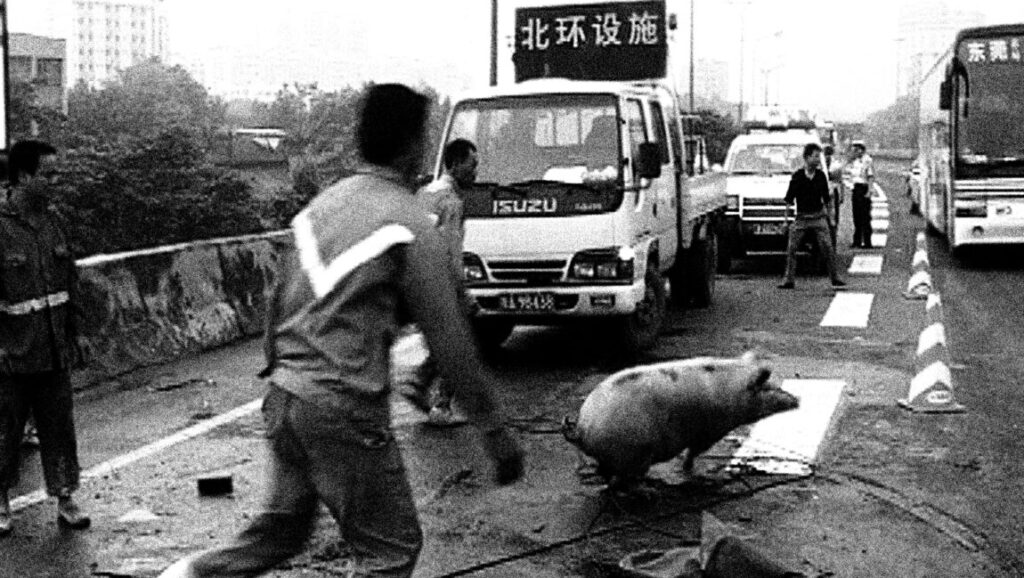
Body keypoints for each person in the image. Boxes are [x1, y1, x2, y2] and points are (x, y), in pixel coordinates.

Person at [159, 84, 524, 578]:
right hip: (342, 406)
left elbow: (276, 306)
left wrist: (286, 376)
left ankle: (184, 574)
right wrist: (494, 431)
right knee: (391, 549)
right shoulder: (409, 222)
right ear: (414, 144)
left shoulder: (317, 210)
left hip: (285, 397)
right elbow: (451, 340)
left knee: (279, 533)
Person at [0, 140, 91, 536]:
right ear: (23, 176)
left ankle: (65, 497)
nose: (55, 183)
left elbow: (70, 283)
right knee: (6, 430)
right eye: (47, 175)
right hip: (12, 353)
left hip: (53, 349)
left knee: (59, 428)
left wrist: (77, 334)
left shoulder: (55, 223)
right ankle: (1, 501)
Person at [402, 138, 479, 427]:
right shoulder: (451, 202)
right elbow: (450, 253)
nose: (475, 172)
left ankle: (420, 386)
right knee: (459, 344)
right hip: (439, 282)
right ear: (456, 164)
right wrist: (465, 293)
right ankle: (439, 404)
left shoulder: (424, 193)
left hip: (414, 278)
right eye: (472, 165)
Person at [778, 143, 846, 290]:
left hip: (818, 217)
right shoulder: (797, 176)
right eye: (815, 157)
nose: (817, 160)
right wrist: (785, 222)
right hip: (801, 218)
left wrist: (831, 218)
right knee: (791, 248)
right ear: (807, 157)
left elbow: (827, 200)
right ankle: (788, 279)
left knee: (827, 247)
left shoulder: (821, 176)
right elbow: (789, 200)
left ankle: (834, 277)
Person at [847, 141, 875, 248]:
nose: (854, 151)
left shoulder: (867, 160)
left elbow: (870, 176)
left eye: (856, 149)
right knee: (856, 216)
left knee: (865, 217)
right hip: (856, 188)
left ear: (861, 150)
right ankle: (857, 241)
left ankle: (867, 242)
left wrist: (869, 190)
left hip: (864, 188)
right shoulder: (854, 161)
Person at [823, 144, 844, 248]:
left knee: (833, 218)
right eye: (825, 154)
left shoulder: (836, 166)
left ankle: (833, 243)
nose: (826, 156)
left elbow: (840, 181)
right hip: (822, 191)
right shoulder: (818, 163)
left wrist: (842, 195)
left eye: (828, 154)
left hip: (833, 192)